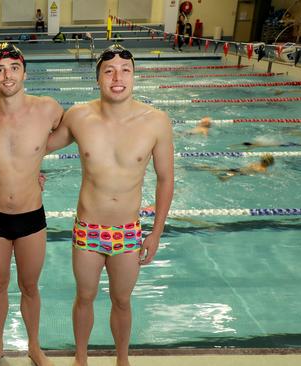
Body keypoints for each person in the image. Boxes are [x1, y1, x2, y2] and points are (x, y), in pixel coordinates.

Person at [46, 44, 175, 366]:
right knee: (85, 297)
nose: (118, 77)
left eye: (125, 71)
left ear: (134, 76)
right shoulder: (78, 116)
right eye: (109, 71)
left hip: (128, 232)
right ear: (98, 78)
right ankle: (80, 359)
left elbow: (165, 179)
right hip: (88, 229)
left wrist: (155, 233)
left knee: (121, 300)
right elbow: (36, 147)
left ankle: (122, 359)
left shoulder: (156, 121)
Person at [0, 42, 64, 366]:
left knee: (29, 286)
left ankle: (34, 347)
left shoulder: (47, 108)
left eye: (13, 68)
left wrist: (36, 161)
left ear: (24, 71)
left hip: (31, 217)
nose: (7, 75)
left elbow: (74, 133)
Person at [193, 153, 275, 181]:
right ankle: (209, 169)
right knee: (222, 178)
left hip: (239, 169)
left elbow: (248, 167)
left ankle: (208, 167)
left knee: (222, 171)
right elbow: (261, 174)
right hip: (240, 172)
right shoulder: (263, 169)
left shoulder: (255, 163)